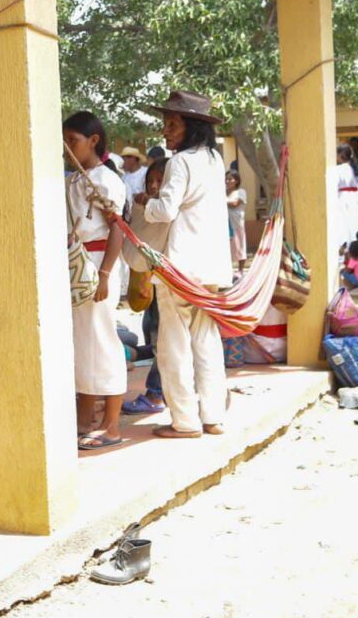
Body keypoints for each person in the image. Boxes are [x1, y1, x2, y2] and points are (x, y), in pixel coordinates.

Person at [132, 91, 232, 439]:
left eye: (171, 124)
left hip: (180, 267)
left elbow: (166, 211)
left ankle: (185, 421)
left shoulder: (180, 162)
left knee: (173, 345)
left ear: (191, 127)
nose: (165, 131)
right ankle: (213, 416)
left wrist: (146, 203)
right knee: (206, 341)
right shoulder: (215, 161)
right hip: (211, 267)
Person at [63, 112, 129, 449]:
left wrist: (105, 274)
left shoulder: (105, 180)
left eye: (72, 141)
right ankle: (84, 420)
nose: (67, 148)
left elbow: (117, 226)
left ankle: (112, 425)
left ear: (94, 141)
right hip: (78, 265)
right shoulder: (76, 179)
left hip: (99, 264)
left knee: (103, 341)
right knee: (82, 344)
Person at [123, 158, 169, 415]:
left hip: (167, 282)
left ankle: (156, 393)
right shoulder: (147, 207)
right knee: (153, 334)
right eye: (150, 181)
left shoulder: (168, 210)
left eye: (159, 181)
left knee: (161, 338)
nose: (153, 186)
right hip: (150, 282)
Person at [335, 143, 358, 253]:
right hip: (356, 199)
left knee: (343, 225)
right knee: (357, 223)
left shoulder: (338, 169)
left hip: (342, 199)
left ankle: (345, 251)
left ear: (341, 155)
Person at [226, 171, 248, 274]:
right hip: (226, 223)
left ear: (237, 180)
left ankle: (241, 270)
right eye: (226, 179)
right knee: (228, 245)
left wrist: (222, 201)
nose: (227, 181)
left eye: (230, 179)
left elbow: (235, 203)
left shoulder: (241, 192)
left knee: (240, 244)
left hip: (237, 223)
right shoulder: (223, 192)